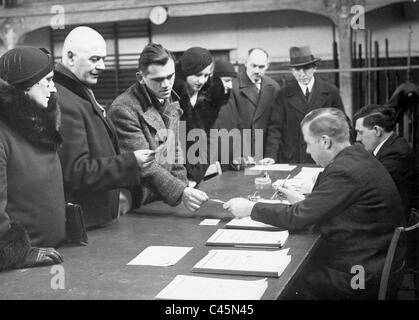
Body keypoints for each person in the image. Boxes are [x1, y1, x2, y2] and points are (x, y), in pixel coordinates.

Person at [224, 108, 404, 299]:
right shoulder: (357, 156)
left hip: (357, 277)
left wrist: (251, 208)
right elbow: (334, 205)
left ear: (325, 141)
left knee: (280, 286)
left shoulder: (344, 170)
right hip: (370, 262)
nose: (308, 151)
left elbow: (297, 218)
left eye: (309, 144)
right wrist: (306, 202)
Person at [54, 27, 155, 229]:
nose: (102, 66)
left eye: (103, 59)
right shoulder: (65, 101)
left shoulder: (78, 92)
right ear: (71, 57)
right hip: (87, 222)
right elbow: (75, 171)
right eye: (94, 59)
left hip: (97, 217)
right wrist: (130, 162)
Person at [108, 43, 208, 212]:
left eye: (170, 76)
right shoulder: (123, 109)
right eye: (158, 80)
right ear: (140, 77)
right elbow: (144, 166)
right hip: (137, 202)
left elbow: (175, 151)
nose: (166, 85)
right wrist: (182, 192)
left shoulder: (168, 99)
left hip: (163, 197)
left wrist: (185, 188)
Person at [0, 47, 64, 270]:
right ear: (26, 87)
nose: (53, 88)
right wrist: (17, 254)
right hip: (23, 267)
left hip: (55, 252)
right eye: (47, 80)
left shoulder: (40, 124)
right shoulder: (3, 135)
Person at [264, 46, 344, 164]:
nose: (302, 74)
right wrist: (271, 155)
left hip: (323, 157)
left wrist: (343, 154)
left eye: (306, 68)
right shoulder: (283, 94)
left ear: (314, 68)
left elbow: (341, 125)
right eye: (297, 69)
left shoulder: (331, 92)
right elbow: (275, 128)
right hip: (292, 158)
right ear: (292, 71)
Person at [213, 48, 280, 168]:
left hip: (264, 156)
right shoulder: (232, 86)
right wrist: (242, 156)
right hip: (240, 155)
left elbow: (275, 126)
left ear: (267, 66)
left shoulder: (274, 87)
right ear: (245, 63)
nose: (257, 71)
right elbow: (231, 126)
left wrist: (271, 155)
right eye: (253, 66)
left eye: (261, 67)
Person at [353, 104, 417, 215]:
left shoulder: (396, 155)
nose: (357, 138)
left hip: (392, 223)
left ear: (377, 130)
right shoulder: (391, 146)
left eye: (360, 132)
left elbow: (368, 191)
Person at [173, 47, 214, 186]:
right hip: (173, 176)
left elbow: (210, 141)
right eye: (197, 74)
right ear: (186, 72)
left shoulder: (208, 97)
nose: (201, 80)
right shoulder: (172, 96)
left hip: (195, 176)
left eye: (206, 75)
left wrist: (194, 177)